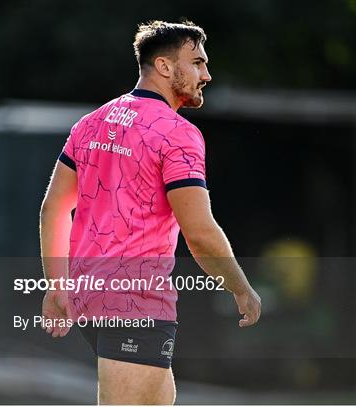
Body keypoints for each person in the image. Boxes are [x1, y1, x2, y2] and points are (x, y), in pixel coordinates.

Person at [39, 20, 261, 405]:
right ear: (163, 66)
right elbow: (200, 233)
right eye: (196, 63)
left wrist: (57, 286)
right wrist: (241, 288)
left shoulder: (91, 123)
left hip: (91, 298)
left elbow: (54, 208)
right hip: (136, 302)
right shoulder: (178, 133)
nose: (205, 74)